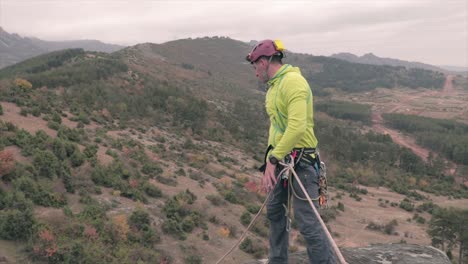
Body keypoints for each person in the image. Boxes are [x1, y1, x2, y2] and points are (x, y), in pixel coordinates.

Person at [246, 40, 334, 264]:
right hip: (282, 159)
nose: (255, 72)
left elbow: (297, 127)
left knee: (308, 221)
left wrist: (273, 160)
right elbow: (276, 128)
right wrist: (269, 160)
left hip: (301, 161)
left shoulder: (294, 82)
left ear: (264, 62)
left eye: (255, 66)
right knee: (275, 212)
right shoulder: (274, 87)